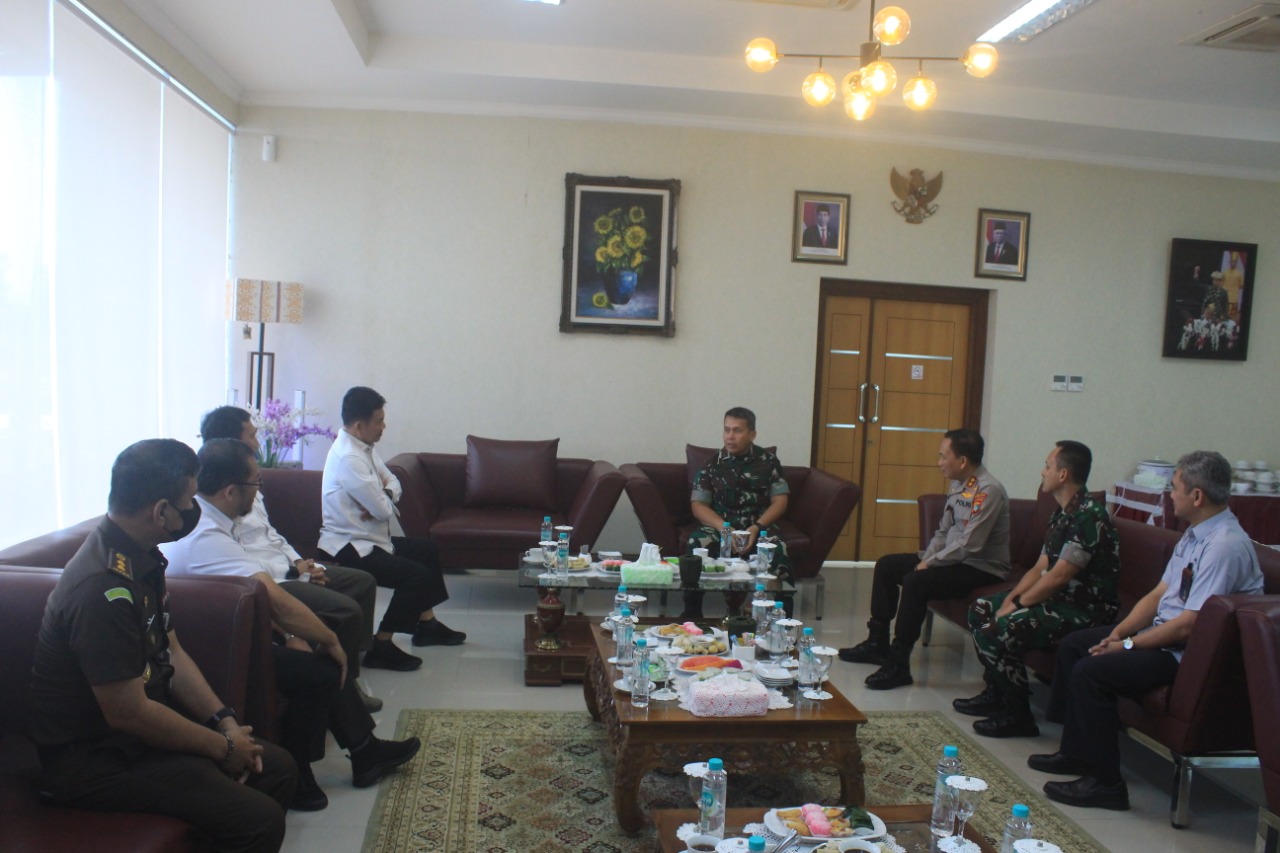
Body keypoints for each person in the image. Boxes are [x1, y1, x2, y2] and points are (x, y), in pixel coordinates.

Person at [28, 439, 296, 853]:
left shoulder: (139, 556)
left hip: (133, 739)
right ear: (161, 512)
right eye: (189, 500)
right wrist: (224, 748)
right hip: (93, 762)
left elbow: (172, 651)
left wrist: (225, 722)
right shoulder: (102, 588)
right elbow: (128, 713)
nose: (194, 508)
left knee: (277, 766)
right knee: (258, 820)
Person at [164, 439, 421, 810]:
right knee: (319, 669)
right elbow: (268, 594)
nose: (259, 490)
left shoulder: (215, 520)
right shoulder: (205, 534)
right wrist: (326, 638)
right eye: (255, 483)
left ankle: (365, 752)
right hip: (214, 649)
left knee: (318, 663)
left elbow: (252, 593)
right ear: (230, 491)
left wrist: (290, 633)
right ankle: (301, 773)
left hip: (235, 629)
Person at [1029, 450, 1263, 811]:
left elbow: (1188, 625)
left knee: (1092, 672)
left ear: (1197, 496)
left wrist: (1128, 645)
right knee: (1076, 645)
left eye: (1175, 488)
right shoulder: (1195, 534)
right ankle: (1076, 753)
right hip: (1165, 635)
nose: (1170, 495)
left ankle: (1106, 784)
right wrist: (1118, 633)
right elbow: (1159, 594)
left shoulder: (1224, 546)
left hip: (1189, 657)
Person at [198, 406, 398, 704]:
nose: (257, 441)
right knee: (345, 609)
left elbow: (271, 533)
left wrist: (298, 561)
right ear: (232, 441)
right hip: (275, 579)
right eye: (252, 435)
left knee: (363, 582)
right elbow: (243, 563)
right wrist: (298, 575)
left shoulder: (246, 481)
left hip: (287, 566)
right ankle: (342, 691)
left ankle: (351, 667)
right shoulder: (221, 500)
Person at [956, 441, 1119, 738]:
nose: (1042, 472)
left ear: (1063, 474)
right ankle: (996, 692)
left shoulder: (1089, 515)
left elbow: (1059, 576)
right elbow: (1040, 566)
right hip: (1058, 599)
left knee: (1001, 628)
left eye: (1047, 466)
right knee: (982, 608)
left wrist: (1017, 607)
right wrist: (1011, 598)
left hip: (1085, 609)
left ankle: (1018, 714)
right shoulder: (1061, 513)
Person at [839, 429, 1010, 690]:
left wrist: (929, 564)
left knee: (916, 582)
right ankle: (877, 643)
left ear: (962, 461)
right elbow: (943, 532)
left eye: (943, 456)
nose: (939, 462)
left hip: (981, 566)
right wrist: (927, 558)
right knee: (887, 565)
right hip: (954, 560)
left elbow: (970, 544)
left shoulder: (988, 490)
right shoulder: (959, 484)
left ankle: (898, 664)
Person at [318, 386, 464, 662]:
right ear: (359, 426)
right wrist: (383, 498)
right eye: (379, 421)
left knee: (426, 550)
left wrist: (383, 492)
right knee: (415, 576)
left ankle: (427, 625)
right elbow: (385, 511)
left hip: (371, 539)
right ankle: (382, 644)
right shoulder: (349, 458)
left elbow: (392, 483)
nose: (384, 426)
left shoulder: (364, 448)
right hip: (350, 547)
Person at [682, 406, 792, 619]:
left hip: (758, 525)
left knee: (779, 550)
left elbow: (780, 501)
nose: (730, 436)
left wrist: (756, 527)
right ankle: (692, 614)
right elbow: (698, 505)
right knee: (696, 545)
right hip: (721, 526)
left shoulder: (768, 462)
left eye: (737, 431)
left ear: (752, 434)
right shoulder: (712, 464)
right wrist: (724, 529)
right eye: (727, 430)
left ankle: (785, 617)